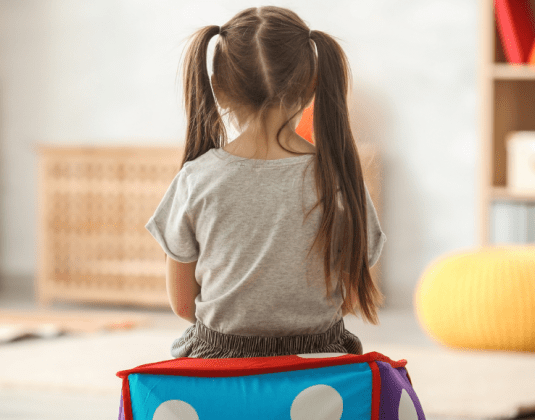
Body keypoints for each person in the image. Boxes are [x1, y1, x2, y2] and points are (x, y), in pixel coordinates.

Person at [145, 6, 387, 359]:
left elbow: (184, 305)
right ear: (312, 88)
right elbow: (349, 298)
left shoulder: (196, 179)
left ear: (218, 89)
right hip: (319, 360)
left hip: (220, 361)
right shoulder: (340, 180)